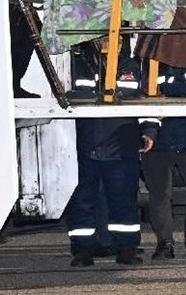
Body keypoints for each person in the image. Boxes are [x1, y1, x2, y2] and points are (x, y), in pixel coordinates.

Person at [64, 41, 158, 267]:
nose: (108, 41)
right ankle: (83, 251)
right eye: (103, 36)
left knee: (123, 201)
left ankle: (126, 249)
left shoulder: (133, 67)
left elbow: (147, 100)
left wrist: (149, 130)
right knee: (82, 201)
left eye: (112, 35)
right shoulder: (77, 65)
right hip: (84, 147)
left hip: (121, 145)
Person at [141, 63, 186, 258]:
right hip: (159, 143)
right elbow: (145, 101)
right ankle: (165, 243)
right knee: (160, 196)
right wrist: (149, 132)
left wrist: (167, 96)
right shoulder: (152, 67)